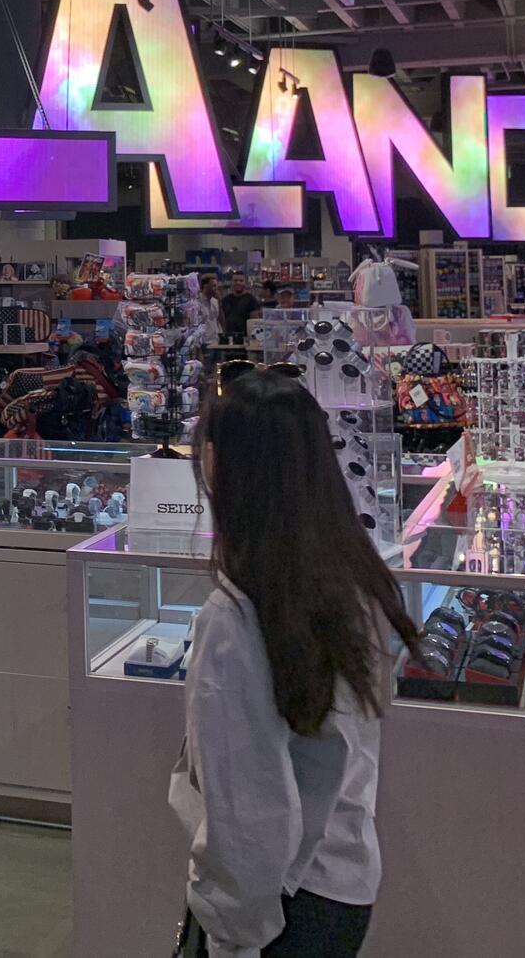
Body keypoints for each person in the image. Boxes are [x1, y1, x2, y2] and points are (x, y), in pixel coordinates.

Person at [171, 369, 421, 957]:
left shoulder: (235, 618)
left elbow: (246, 816)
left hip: (281, 909)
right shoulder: (354, 583)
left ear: (219, 465)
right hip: (343, 885)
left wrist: (230, 935)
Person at [219, 271, 258, 345]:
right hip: (229, 340)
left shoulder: (251, 300)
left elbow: (254, 323)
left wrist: (253, 342)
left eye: (241, 281)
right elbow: (222, 321)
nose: (238, 283)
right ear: (231, 282)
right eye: (235, 280)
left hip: (246, 341)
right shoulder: (225, 300)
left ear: (245, 283)